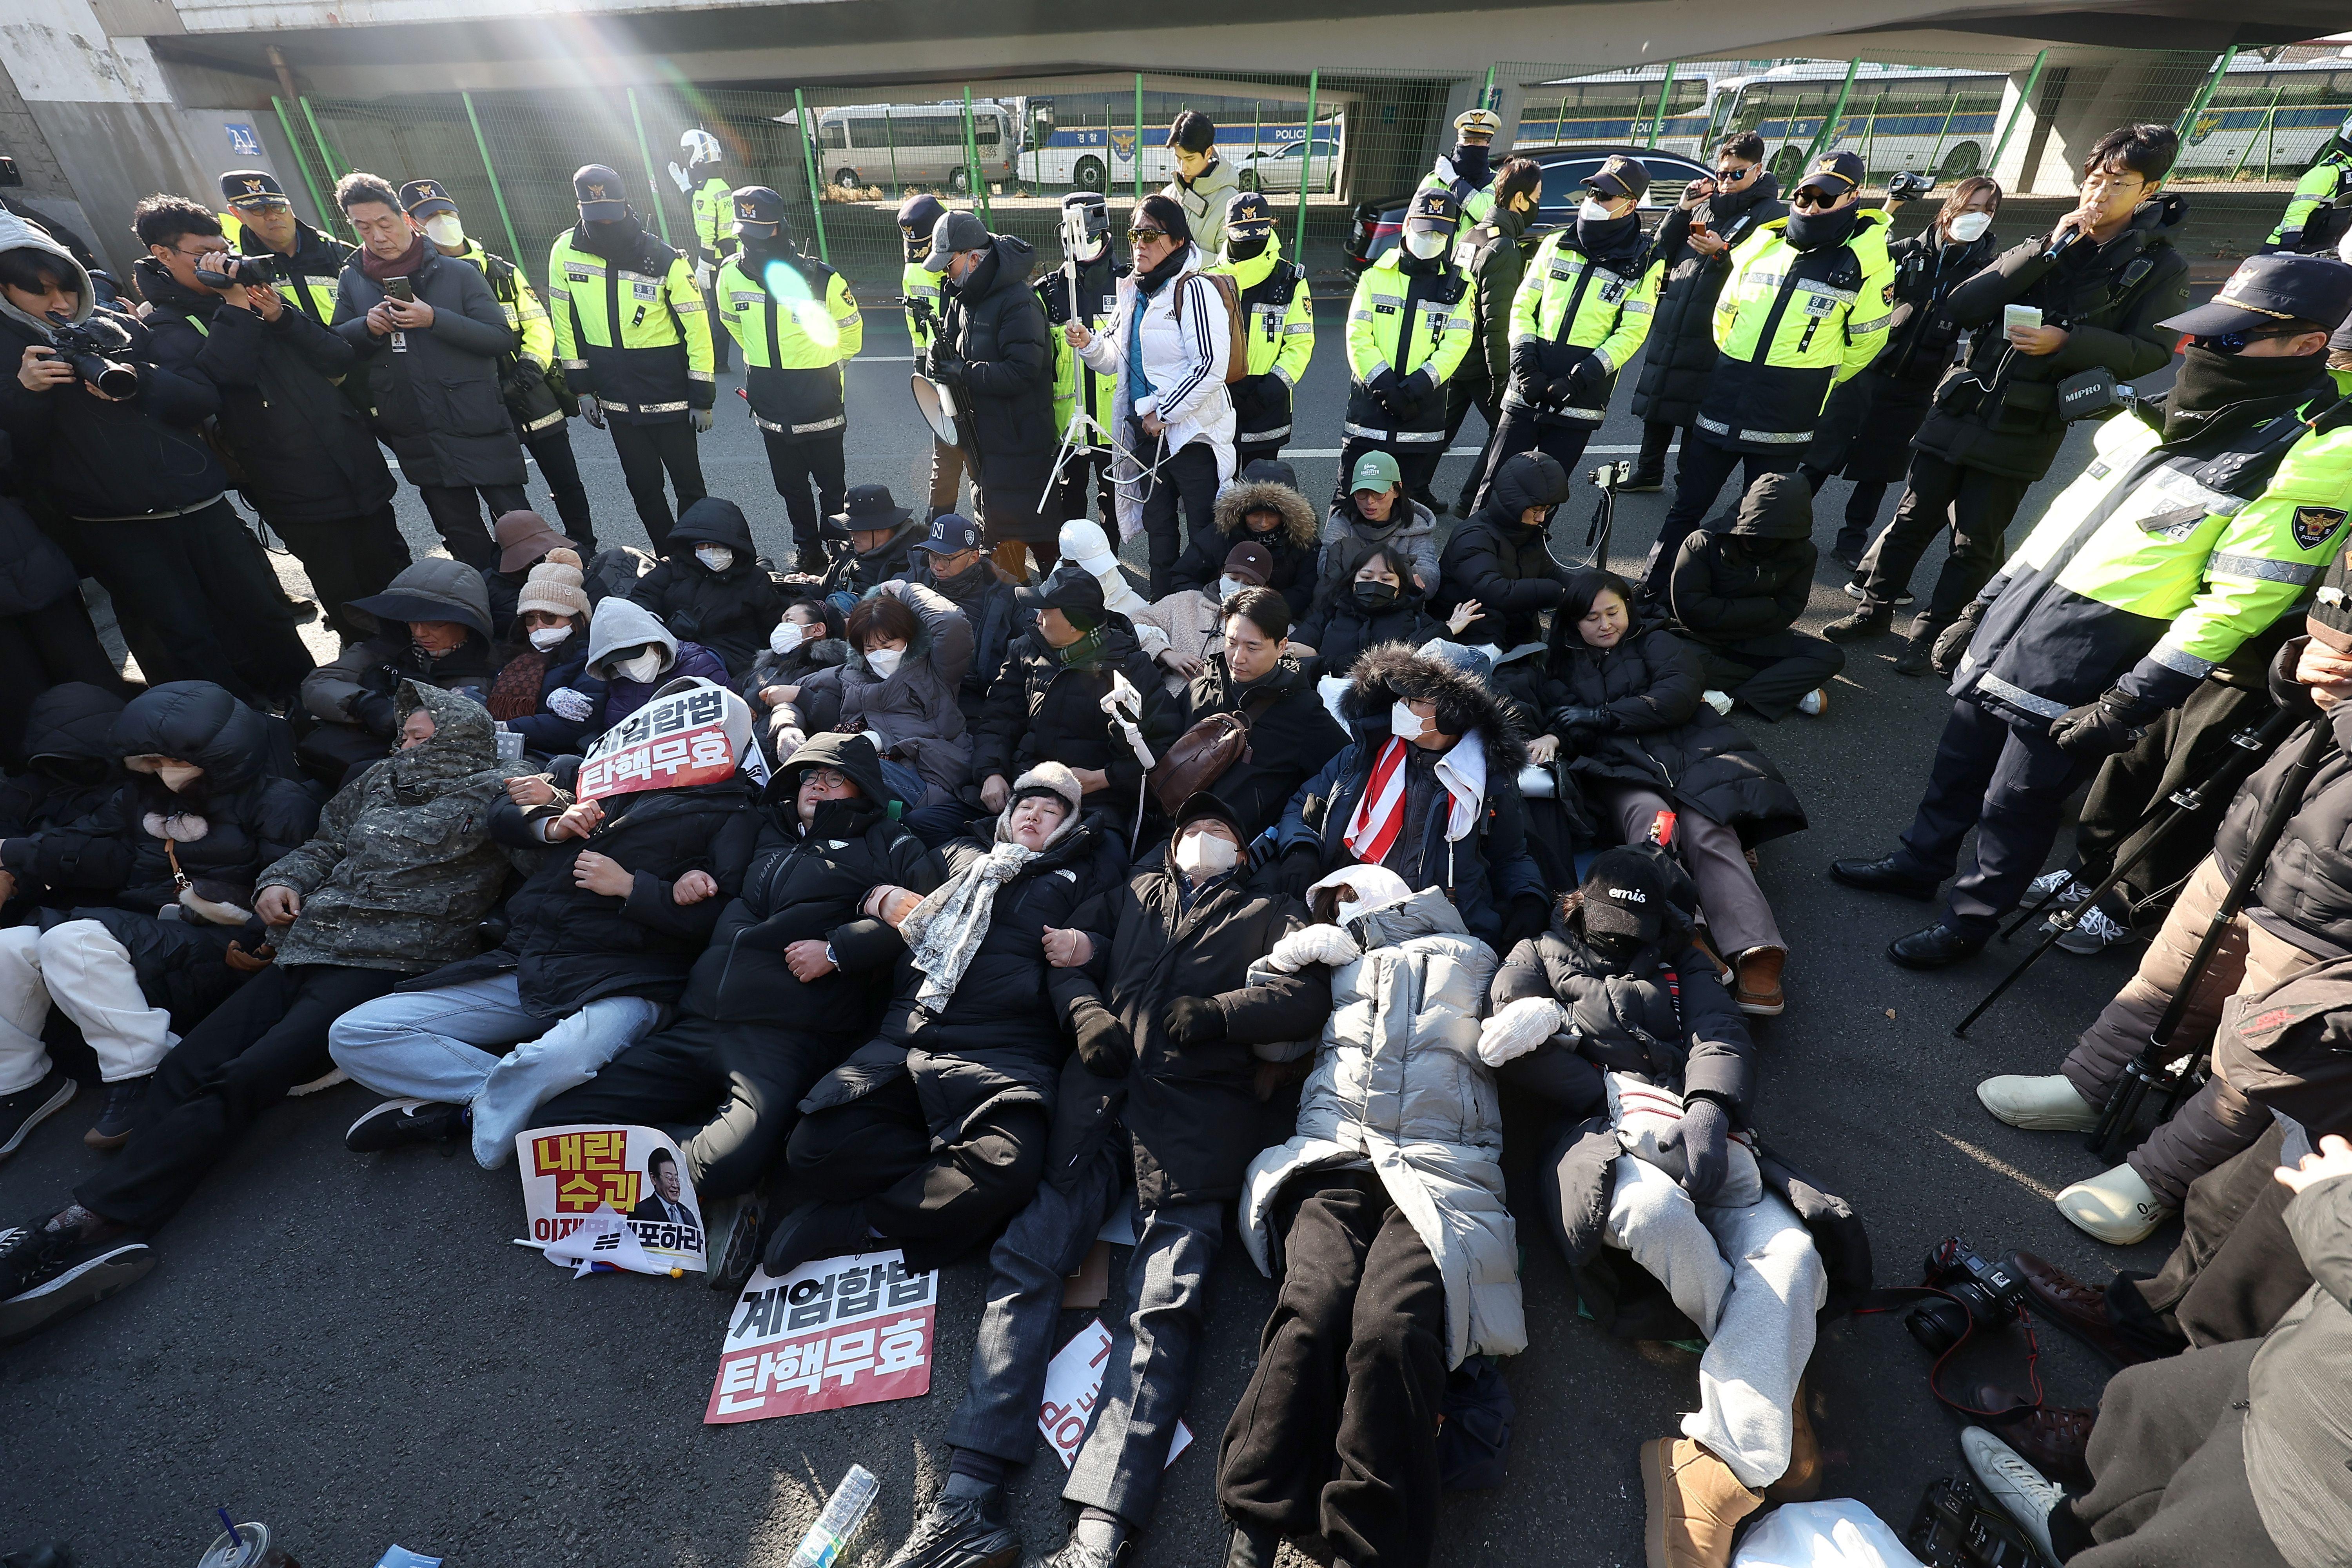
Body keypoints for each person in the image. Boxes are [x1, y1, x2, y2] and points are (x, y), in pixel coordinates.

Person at [1831, 252, 2352, 970]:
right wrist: (1982, 605)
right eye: (2202, 333)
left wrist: (2134, 699)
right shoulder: (2166, 407)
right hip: (2026, 610)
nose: (2199, 348)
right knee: (1957, 764)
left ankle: (1970, 920)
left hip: (2101, 647)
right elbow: (2062, 523)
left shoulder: (2316, 447)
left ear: (2307, 345)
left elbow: (2240, 600)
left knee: (2018, 805)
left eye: (2229, 339)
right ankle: (1919, 864)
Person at [877, 793, 1330, 1568]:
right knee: (1026, 1265)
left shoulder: (1271, 910)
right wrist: (1087, 1014)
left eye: (1221, 833)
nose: (1202, 842)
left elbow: (1305, 992)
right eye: (1192, 832)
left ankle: (1098, 1536)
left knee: (1162, 1309)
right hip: (1095, 1103)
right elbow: (1064, 957)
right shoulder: (1128, 893)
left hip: (1197, 1124)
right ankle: (966, 1498)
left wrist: (1219, 1013)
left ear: (1245, 853)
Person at [0, 684, 511, 1341]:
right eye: (404, 735)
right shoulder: (375, 781)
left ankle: (83, 1220)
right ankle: (117, 1209)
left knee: (246, 1077)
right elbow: (324, 846)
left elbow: (541, 832)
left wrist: (550, 810)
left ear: (459, 736)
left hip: (396, 955)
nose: (404, 745)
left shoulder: (497, 789)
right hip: (313, 942)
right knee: (187, 1064)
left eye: (420, 737)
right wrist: (281, 883)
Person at [1479, 849, 1842, 1568]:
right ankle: (1770, 1378)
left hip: (1704, 1133)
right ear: (1577, 903)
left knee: (1799, 1254)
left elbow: (1721, 1035)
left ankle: (1718, 1455)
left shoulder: (1685, 959)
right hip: (1599, 1138)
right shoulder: (1535, 950)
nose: (1621, 938)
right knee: (1657, 1218)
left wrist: (1708, 1107)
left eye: (1634, 926)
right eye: (1607, 922)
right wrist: (1603, 1086)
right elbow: (1508, 1038)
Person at [1973, 631, 2352, 1244]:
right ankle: (2088, 1084)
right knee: (2166, 980)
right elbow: (2294, 702)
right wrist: (2301, 664)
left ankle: (2159, 1180)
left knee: (2257, 1059)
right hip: (2254, 844)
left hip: (2334, 915)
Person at [533, 732, 940, 1285]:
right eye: (808, 778)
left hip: (785, 1036)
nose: (817, 788)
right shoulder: (761, 829)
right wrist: (676, 885)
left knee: (728, 1165)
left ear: (862, 790)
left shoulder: (890, 844)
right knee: (553, 1128)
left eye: (833, 779)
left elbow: (931, 920)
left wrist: (841, 949)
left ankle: (697, 1171)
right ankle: (678, 1159)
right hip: (698, 1019)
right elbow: (706, 904)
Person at [1219, 866, 1522, 1568]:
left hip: (1443, 1172)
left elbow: (1535, 1011)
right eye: (1325, 904)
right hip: (1333, 1160)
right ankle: (1256, 1516)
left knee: (1394, 1331)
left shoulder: (1479, 956)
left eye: (1345, 894)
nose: (1336, 910)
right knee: (1313, 1309)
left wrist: (1542, 1015)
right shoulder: (1333, 963)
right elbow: (1275, 1042)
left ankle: (1368, 1546)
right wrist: (1280, 963)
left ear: (1389, 892)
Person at [331, 677, 761, 1166]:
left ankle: (464, 1120)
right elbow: (501, 812)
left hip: (629, 980)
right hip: (534, 960)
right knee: (355, 1033)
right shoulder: (594, 775)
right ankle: (498, 1104)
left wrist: (634, 888)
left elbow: (724, 920)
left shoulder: (734, 810)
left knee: (550, 1061)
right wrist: (553, 820)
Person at [1830, 125, 2191, 663]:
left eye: (2119, 183)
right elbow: (1965, 305)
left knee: (1974, 539)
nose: (2099, 193)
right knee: (1911, 516)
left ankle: (1932, 634)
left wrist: (2067, 342)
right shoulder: (2050, 244)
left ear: (2149, 192)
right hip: (1964, 399)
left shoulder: (2159, 266)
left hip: (2029, 419)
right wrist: (2048, 247)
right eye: (2094, 179)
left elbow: (2152, 351)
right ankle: (1873, 609)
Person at [770, 764, 1128, 1272]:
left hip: (1004, 1053)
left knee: (1011, 1167)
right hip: (909, 1037)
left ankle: (858, 1223)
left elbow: (1119, 949)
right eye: (1026, 805)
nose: (1034, 816)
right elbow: (898, 913)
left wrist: (1090, 949)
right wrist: (874, 902)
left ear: (1069, 827)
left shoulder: (1085, 876)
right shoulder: (958, 854)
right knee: (813, 1149)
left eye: (1051, 812)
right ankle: (945, 1186)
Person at [1960, 1134, 2352, 1568]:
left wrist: (2337, 1205)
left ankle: (2113, 1547)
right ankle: (2073, 1531)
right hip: (2313, 1350)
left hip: (2322, 1486)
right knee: (2154, 1406)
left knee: (2195, 1545)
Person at [0, 211, 312, 707]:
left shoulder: (119, 325)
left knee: (262, 614)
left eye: (67, 287)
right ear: (6, 291)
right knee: (179, 638)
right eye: (40, 292)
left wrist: (138, 378)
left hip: (200, 505)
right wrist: (25, 395)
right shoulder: (10, 356)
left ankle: (306, 706)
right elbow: (18, 464)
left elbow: (201, 398)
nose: (60, 303)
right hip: (114, 526)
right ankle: (220, 735)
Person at [0, 681, 320, 1153]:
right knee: (9, 947)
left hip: (223, 948)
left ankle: (146, 1073)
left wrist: (261, 939)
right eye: (151, 760)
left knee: (72, 938)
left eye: (173, 759)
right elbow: (80, 839)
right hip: (152, 931)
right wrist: (8, 855)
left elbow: (295, 874)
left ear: (222, 755)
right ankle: (20, 1083)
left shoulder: (279, 802)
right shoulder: (138, 799)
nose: (161, 771)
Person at [133, 194, 409, 648]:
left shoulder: (257, 296)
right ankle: (373, 676)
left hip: (355, 466)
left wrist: (281, 316)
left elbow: (338, 354)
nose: (220, 263)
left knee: (395, 572)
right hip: (291, 486)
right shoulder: (167, 325)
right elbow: (224, 380)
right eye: (204, 256)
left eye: (223, 250)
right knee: (348, 595)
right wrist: (236, 306)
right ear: (163, 255)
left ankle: (425, 655)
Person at [1537, 570, 1806, 1015]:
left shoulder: (1657, 641)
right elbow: (1562, 721)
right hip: (1624, 771)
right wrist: (1558, 737)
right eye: (1591, 618)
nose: (1605, 625)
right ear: (1571, 623)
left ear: (1629, 609)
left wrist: (1602, 715)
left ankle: (1757, 946)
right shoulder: (1560, 666)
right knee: (1654, 827)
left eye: (1613, 612)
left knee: (1708, 830)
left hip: (1693, 755)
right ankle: (1688, 929)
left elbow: (1679, 693)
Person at [1641, 150, 1893, 601]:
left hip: (1786, 411)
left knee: (1758, 520)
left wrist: (1813, 378)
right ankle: (1654, 587)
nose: (1811, 207)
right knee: (1687, 505)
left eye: (1826, 198)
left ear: (1853, 196)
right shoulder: (1764, 240)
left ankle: (1724, 602)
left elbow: (1866, 343)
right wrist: (1738, 357)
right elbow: (1726, 314)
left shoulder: (1867, 260)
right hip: (1724, 394)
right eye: (1804, 195)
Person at [1272, 639, 1546, 951]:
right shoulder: (1361, 758)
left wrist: (1528, 898)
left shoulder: (1489, 782)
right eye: (1399, 696)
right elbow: (1301, 805)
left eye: (1414, 699)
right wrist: (1301, 850)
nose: (1400, 706)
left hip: (1445, 935)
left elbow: (1510, 855)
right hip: (1346, 915)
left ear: (1454, 713)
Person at [1800, 176, 2001, 576]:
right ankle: (1784, 520)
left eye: (1988, 211)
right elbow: (1853, 260)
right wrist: (1889, 209)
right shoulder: (1910, 250)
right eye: (1971, 208)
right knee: (1823, 450)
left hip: (1920, 381)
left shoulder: (1987, 270)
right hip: (1868, 366)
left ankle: (1851, 541)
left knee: (1880, 465)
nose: (1977, 218)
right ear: (1949, 209)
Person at [328, 171, 523, 572]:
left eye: (384, 224)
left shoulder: (459, 272)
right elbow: (337, 347)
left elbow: (501, 338)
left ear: (405, 218)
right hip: (415, 429)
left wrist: (435, 318)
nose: (378, 237)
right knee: (462, 537)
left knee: (519, 530)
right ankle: (488, 616)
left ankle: (541, 613)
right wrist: (367, 327)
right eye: (363, 228)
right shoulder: (353, 279)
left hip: (476, 421)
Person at [408, 179, 597, 552]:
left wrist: (529, 371)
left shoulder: (500, 270)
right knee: (504, 493)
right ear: (414, 224)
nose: (442, 221)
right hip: (476, 402)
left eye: (447, 212)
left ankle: (583, 545)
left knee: (565, 479)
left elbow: (538, 322)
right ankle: (528, 556)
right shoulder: (422, 280)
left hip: (531, 391)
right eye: (431, 216)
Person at [1065, 194, 1235, 599]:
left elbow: (1212, 364)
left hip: (1193, 438)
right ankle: (1163, 610)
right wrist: (1089, 343)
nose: (1139, 243)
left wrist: (1165, 411)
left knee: (1203, 533)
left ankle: (1206, 612)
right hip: (1148, 437)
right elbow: (1113, 360)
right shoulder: (1133, 292)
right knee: (1159, 534)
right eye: (1135, 234)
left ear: (1177, 241)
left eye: (1150, 234)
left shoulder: (1194, 290)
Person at [1470, 155, 1661, 510]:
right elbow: (1523, 305)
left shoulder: (1647, 260)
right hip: (1528, 384)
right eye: (1591, 191)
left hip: (1581, 398)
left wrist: (1577, 381)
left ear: (1630, 205)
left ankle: (1524, 562)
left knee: (1544, 498)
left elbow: (1632, 333)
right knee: (1495, 485)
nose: (1593, 200)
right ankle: (1469, 558)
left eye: (1604, 196)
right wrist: (1524, 364)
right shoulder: (1556, 242)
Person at [547, 163, 715, 555]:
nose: (603, 224)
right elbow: (565, 320)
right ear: (580, 208)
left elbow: (697, 328)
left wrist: (702, 396)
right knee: (643, 487)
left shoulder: (663, 258)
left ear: (626, 206)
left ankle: (696, 554)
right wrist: (582, 389)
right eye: (594, 216)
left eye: (610, 214)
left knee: (689, 485)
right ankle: (668, 556)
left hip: (669, 391)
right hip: (615, 395)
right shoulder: (565, 252)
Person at [972, 561, 1181, 840]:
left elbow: (1161, 746)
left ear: (1074, 624)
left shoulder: (1132, 668)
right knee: (934, 827)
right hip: (1021, 786)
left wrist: (1103, 779)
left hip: (1096, 804)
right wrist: (991, 772)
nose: (1037, 619)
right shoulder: (1026, 649)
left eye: (1046, 612)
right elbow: (999, 718)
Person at [1625, 133, 1786, 494]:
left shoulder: (1772, 214)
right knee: (1660, 397)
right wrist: (1683, 208)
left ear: (1758, 170)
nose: (1726, 182)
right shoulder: (1705, 202)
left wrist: (1723, 251)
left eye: (1736, 174)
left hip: (1719, 320)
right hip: (1677, 310)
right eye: (1721, 173)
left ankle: (1687, 482)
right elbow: (1660, 249)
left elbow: (1767, 271)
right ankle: (1649, 471)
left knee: (1695, 407)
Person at [715, 187, 862, 572]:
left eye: (759, 235)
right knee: (791, 488)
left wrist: (827, 368)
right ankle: (808, 550)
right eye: (744, 235)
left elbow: (851, 333)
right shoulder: (730, 275)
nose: (751, 244)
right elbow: (731, 321)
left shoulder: (822, 279)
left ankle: (838, 550)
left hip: (819, 403)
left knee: (832, 488)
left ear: (780, 229)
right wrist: (760, 363)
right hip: (770, 405)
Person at [924, 210, 1058, 577]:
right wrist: (943, 356)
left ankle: (1051, 601)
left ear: (973, 258)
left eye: (948, 265)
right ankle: (1013, 605)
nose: (945, 275)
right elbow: (958, 344)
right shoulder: (966, 296)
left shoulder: (1018, 300)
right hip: (988, 440)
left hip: (1020, 441)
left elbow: (1023, 372)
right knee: (998, 534)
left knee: (1035, 534)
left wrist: (964, 373)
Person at [1172, 586, 1348, 840]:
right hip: (1170, 829)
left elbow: (1346, 773)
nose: (1238, 658)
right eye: (1232, 643)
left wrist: (1300, 837)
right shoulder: (1204, 686)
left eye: (1253, 648)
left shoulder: (1302, 711)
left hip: (1235, 849)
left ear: (1281, 647)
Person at [298, 559, 499, 781]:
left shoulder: (486, 670)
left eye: (435, 624)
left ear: (467, 623)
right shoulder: (386, 646)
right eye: (413, 622)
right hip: (350, 752)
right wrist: (363, 704)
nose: (420, 633)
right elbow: (318, 683)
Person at [1340, 187, 1475, 515]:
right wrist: (1386, 386)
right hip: (1371, 408)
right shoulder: (1375, 276)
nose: (1432, 238)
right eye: (1425, 228)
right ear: (1408, 224)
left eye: (1440, 232)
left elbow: (1456, 344)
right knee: (1351, 500)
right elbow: (1358, 336)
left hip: (1421, 410)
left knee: (1405, 508)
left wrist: (1415, 388)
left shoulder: (1460, 285)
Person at [1665, 472, 1842, 721]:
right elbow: (1692, 610)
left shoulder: (1802, 553)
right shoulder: (1703, 543)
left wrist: (1743, 616)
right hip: (1701, 638)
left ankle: (1733, 699)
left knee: (1830, 656)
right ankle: (1786, 688)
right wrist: (1766, 608)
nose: (1764, 544)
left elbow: (1790, 609)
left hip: (1759, 639)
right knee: (1676, 658)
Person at [792, 580, 974, 811]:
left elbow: (952, 622)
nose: (880, 655)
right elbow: (792, 689)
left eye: (888, 645)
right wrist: (786, 724)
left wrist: (906, 590)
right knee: (806, 772)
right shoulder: (852, 673)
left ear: (909, 639)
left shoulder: (936, 669)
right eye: (870, 649)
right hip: (856, 772)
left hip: (928, 777)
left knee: (840, 768)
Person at [1445, 156, 1545, 516]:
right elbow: (1497, 319)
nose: (1538, 204)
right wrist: (1503, 376)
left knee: (1435, 431)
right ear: (1519, 200)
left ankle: (1412, 491)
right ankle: (1470, 502)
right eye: (1537, 196)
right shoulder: (1505, 247)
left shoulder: (1471, 235)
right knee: (1505, 429)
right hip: (1480, 361)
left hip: (1455, 354)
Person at [0, 456, 122, 745]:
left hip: (24, 559)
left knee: (20, 680)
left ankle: (40, 758)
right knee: (73, 660)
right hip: (25, 556)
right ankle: (113, 737)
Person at [1207, 191, 1314, 469]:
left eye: (1258, 235)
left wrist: (1269, 391)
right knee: (1219, 497)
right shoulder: (1208, 279)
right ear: (1228, 233)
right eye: (1244, 237)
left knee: (1261, 498)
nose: (1251, 244)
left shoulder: (1290, 281)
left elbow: (1300, 344)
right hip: (1217, 401)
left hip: (1269, 403)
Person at [0, 684, 124, 917]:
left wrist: (11, 869)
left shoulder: (132, 796)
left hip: (98, 909)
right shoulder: (27, 787)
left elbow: (107, 858)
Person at [625, 496, 782, 681]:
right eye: (703, 545)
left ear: (733, 546)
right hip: (669, 649)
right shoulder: (672, 568)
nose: (710, 551)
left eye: (717, 546)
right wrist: (653, 626)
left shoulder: (755, 581)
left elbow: (772, 629)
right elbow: (643, 598)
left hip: (728, 658)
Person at [1038, 190, 1123, 528]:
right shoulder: (1047, 293)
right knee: (1069, 498)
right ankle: (1071, 565)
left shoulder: (1126, 284)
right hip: (1067, 424)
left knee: (1114, 500)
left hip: (1113, 422)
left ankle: (1109, 564)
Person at [900, 510, 1021, 736]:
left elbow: (1025, 656)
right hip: (915, 692)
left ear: (973, 557)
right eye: (932, 556)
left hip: (975, 700)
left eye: (946, 558)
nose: (937, 566)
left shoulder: (1007, 597)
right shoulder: (915, 580)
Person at [1436, 448, 1573, 649]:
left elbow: (1550, 573)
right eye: (1536, 509)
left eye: (1547, 509)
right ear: (1514, 502)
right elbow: (1494, 592)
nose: (1542, 518)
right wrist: (1558, 593)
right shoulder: (1473, 536)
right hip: (1471, 638)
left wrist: (1595, 588)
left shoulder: (1526, 531)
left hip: (1513, 630)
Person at [485, 548, 606, 759]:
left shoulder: (589, 659)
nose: (539, 625)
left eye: (550, 617)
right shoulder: (516, 656)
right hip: (502, 749)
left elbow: (575, 727)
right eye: (530, 619)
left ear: (576, 620)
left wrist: (508, 727)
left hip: (548, 757)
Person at [1167, 456, 1319, 619]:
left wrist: (1263, 611)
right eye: (1255, 514)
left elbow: (1306, 591)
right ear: (1241, 513)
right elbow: (1182, 576)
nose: (1263, 523)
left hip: (1274, 620)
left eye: (1272, 515)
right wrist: (1212, 606)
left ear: (1287, 517)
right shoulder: (1220, 534)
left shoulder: (1304, 542)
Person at [1297, 541, 1474, 673]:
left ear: (1401, 586)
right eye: (1366, 578)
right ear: (1353, 581)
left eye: (1386, 580)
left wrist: (1447, 630)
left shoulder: (1419, 621)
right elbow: (1291, 658)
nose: (1375, 584)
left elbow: (1413, 663)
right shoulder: (1329, 614)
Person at [214, 169, 354, 334]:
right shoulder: (237, 269)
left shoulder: (338, 252)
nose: (272, 216)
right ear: (237, 214)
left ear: (289, 205)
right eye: (258, 210)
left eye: (277, 207)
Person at [898, 193, 963, 521]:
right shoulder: (915, 271)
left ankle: (939, 526)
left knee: (953, 454)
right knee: (950, 452)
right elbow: (917, 328)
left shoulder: (958, 257)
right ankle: (939, 526)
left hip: (962, 369)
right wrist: (922, 369)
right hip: (944, 372)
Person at [581, 595, 730, 733]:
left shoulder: (699, 665)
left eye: (634, 656)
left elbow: (734, 715)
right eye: (618, 663)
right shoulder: (620, 683)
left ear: (654, 643)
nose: (628, 668)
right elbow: (614, 733)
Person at [1319, 449, 1440, 603]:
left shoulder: (1416, 525)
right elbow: (1325, 569)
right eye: (1361, 493)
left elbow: (1430, 580)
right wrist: (1403, 573)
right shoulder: (1341, 521)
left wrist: (1359, 571)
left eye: (1379, 493)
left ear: (1397, 490)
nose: (1370, 501)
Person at [744, 597, 847, 757]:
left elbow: (838, 717)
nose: (780, 628)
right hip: (742, 753)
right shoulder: (765, 665)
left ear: (818, 629)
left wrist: (799, 696)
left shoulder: (833, 668)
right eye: (781, 621)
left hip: (784, 759)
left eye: (789, 621)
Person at [680, 128, 736, 373]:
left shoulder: (704, 192)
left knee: (716, 311)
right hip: (729, 253)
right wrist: (687, 189)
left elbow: (707, 233)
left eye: (688, 152)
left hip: (714, 260)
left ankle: (717, 362)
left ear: (698, 157)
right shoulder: (720, 185)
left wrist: (703, 266)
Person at [481, 508, 584, 641]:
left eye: (550, 550)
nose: (548, 558)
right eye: (537, 559)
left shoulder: (573, 561)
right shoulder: (496, 590)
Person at [2261, 110, 2352, 256]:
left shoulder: (2347, 170)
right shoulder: (2327, 172)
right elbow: (2298, 212)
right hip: (2286, 249)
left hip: (2321, 250)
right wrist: (2288, 248)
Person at [1417, 106, 1503, 238]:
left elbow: (1483, 213)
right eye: (1467, 141)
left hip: (1472, 258)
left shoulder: (1496, 182)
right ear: (1458, 142)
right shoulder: (1435, 178)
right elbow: (1413, 221)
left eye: (1478, 141)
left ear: (1487, 145)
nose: (1471, 145)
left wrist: (1453, 181)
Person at [1162, 109, 1240, 254]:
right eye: (1178, 158)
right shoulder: (1167, 195)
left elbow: (1230, 265)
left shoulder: (1231, 203)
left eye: (1190, 159)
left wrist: (1186, 260)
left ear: (1209, 153)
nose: (1182, 167)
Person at [831, 483, 929, 598]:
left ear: (880, 528)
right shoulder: (856, 548)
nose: (851, 532)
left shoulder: (911, 566)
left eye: (856, 528)